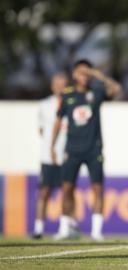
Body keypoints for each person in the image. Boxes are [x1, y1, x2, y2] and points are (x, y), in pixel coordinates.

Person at [52, 59, 121, 241]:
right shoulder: (67, 96)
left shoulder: (96, 93)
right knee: (67, 188)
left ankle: (96, 231)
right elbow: (58, 122)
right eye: (81, 72)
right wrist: (52, 145)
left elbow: (116, 90)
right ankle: (65, 228)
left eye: (87, 72)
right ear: (74, 74)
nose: (84, 76)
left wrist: (98, 74)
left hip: (93, 149)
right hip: (72, 149)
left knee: (97, 188)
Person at [32, 73, 68, 239]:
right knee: (44, 191)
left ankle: (64, 228)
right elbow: (41, 130)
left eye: (63, 83)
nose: (60, 86)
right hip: (48, 156)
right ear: (52, 86)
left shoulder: (73, 103)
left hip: (67, 155)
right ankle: (38, 229)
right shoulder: (44, 104)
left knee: (66, 192)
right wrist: (51, 147)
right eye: (57, 83)